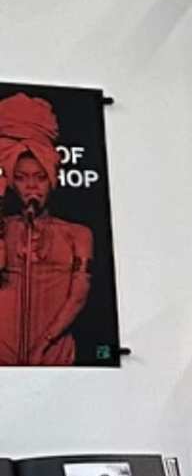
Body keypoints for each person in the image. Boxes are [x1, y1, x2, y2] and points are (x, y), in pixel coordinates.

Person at [0, 93, 95, 369]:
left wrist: (46, 343)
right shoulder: (6, 228)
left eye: (39, 177)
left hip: (54, 356)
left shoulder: (78, 234)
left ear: (52, 178)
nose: (31, 187)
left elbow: (78, 295)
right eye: (21, 178)